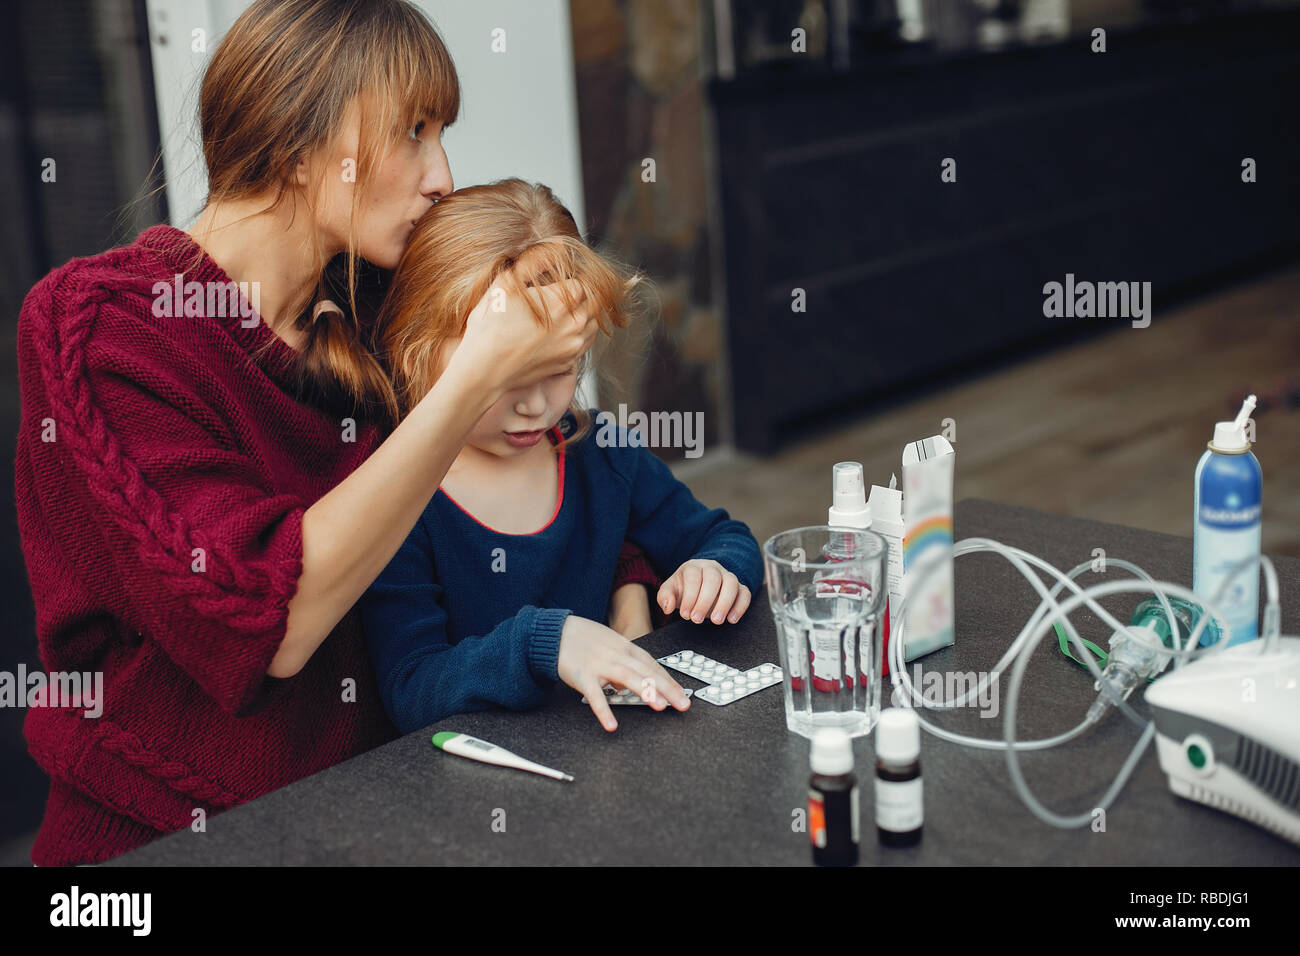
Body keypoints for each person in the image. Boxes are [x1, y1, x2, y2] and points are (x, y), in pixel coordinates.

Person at [14, 0, 657, 866]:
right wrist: (471, 377)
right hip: (157, 839)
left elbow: (530, 460)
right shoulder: (103, 328)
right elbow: (266, 622)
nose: (441, 175)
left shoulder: (369, 306)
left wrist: (626, 576)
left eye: (443, 134)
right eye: (415, 132)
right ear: (297, 139)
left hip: (380, 807)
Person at [359, 179, 763, 734]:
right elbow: (412, 688)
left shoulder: (603, 451)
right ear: (415, 350)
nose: (534, 406)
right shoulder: (396, 495)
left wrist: (715, 571)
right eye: (505, 377)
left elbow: (726, 537)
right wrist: (544, 644)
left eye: (558, 372)